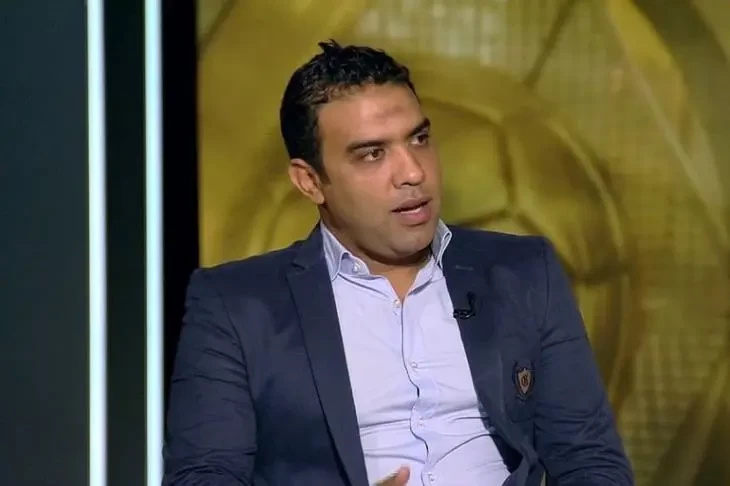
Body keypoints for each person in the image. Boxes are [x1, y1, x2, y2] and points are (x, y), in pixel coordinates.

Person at [163, 40, 633, 486]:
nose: (413, 172)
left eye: (420, 138)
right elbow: (201, 476)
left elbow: (590, 459)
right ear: (310, 182)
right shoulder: (234, 305)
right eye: (372, 154)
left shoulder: (524, 271)